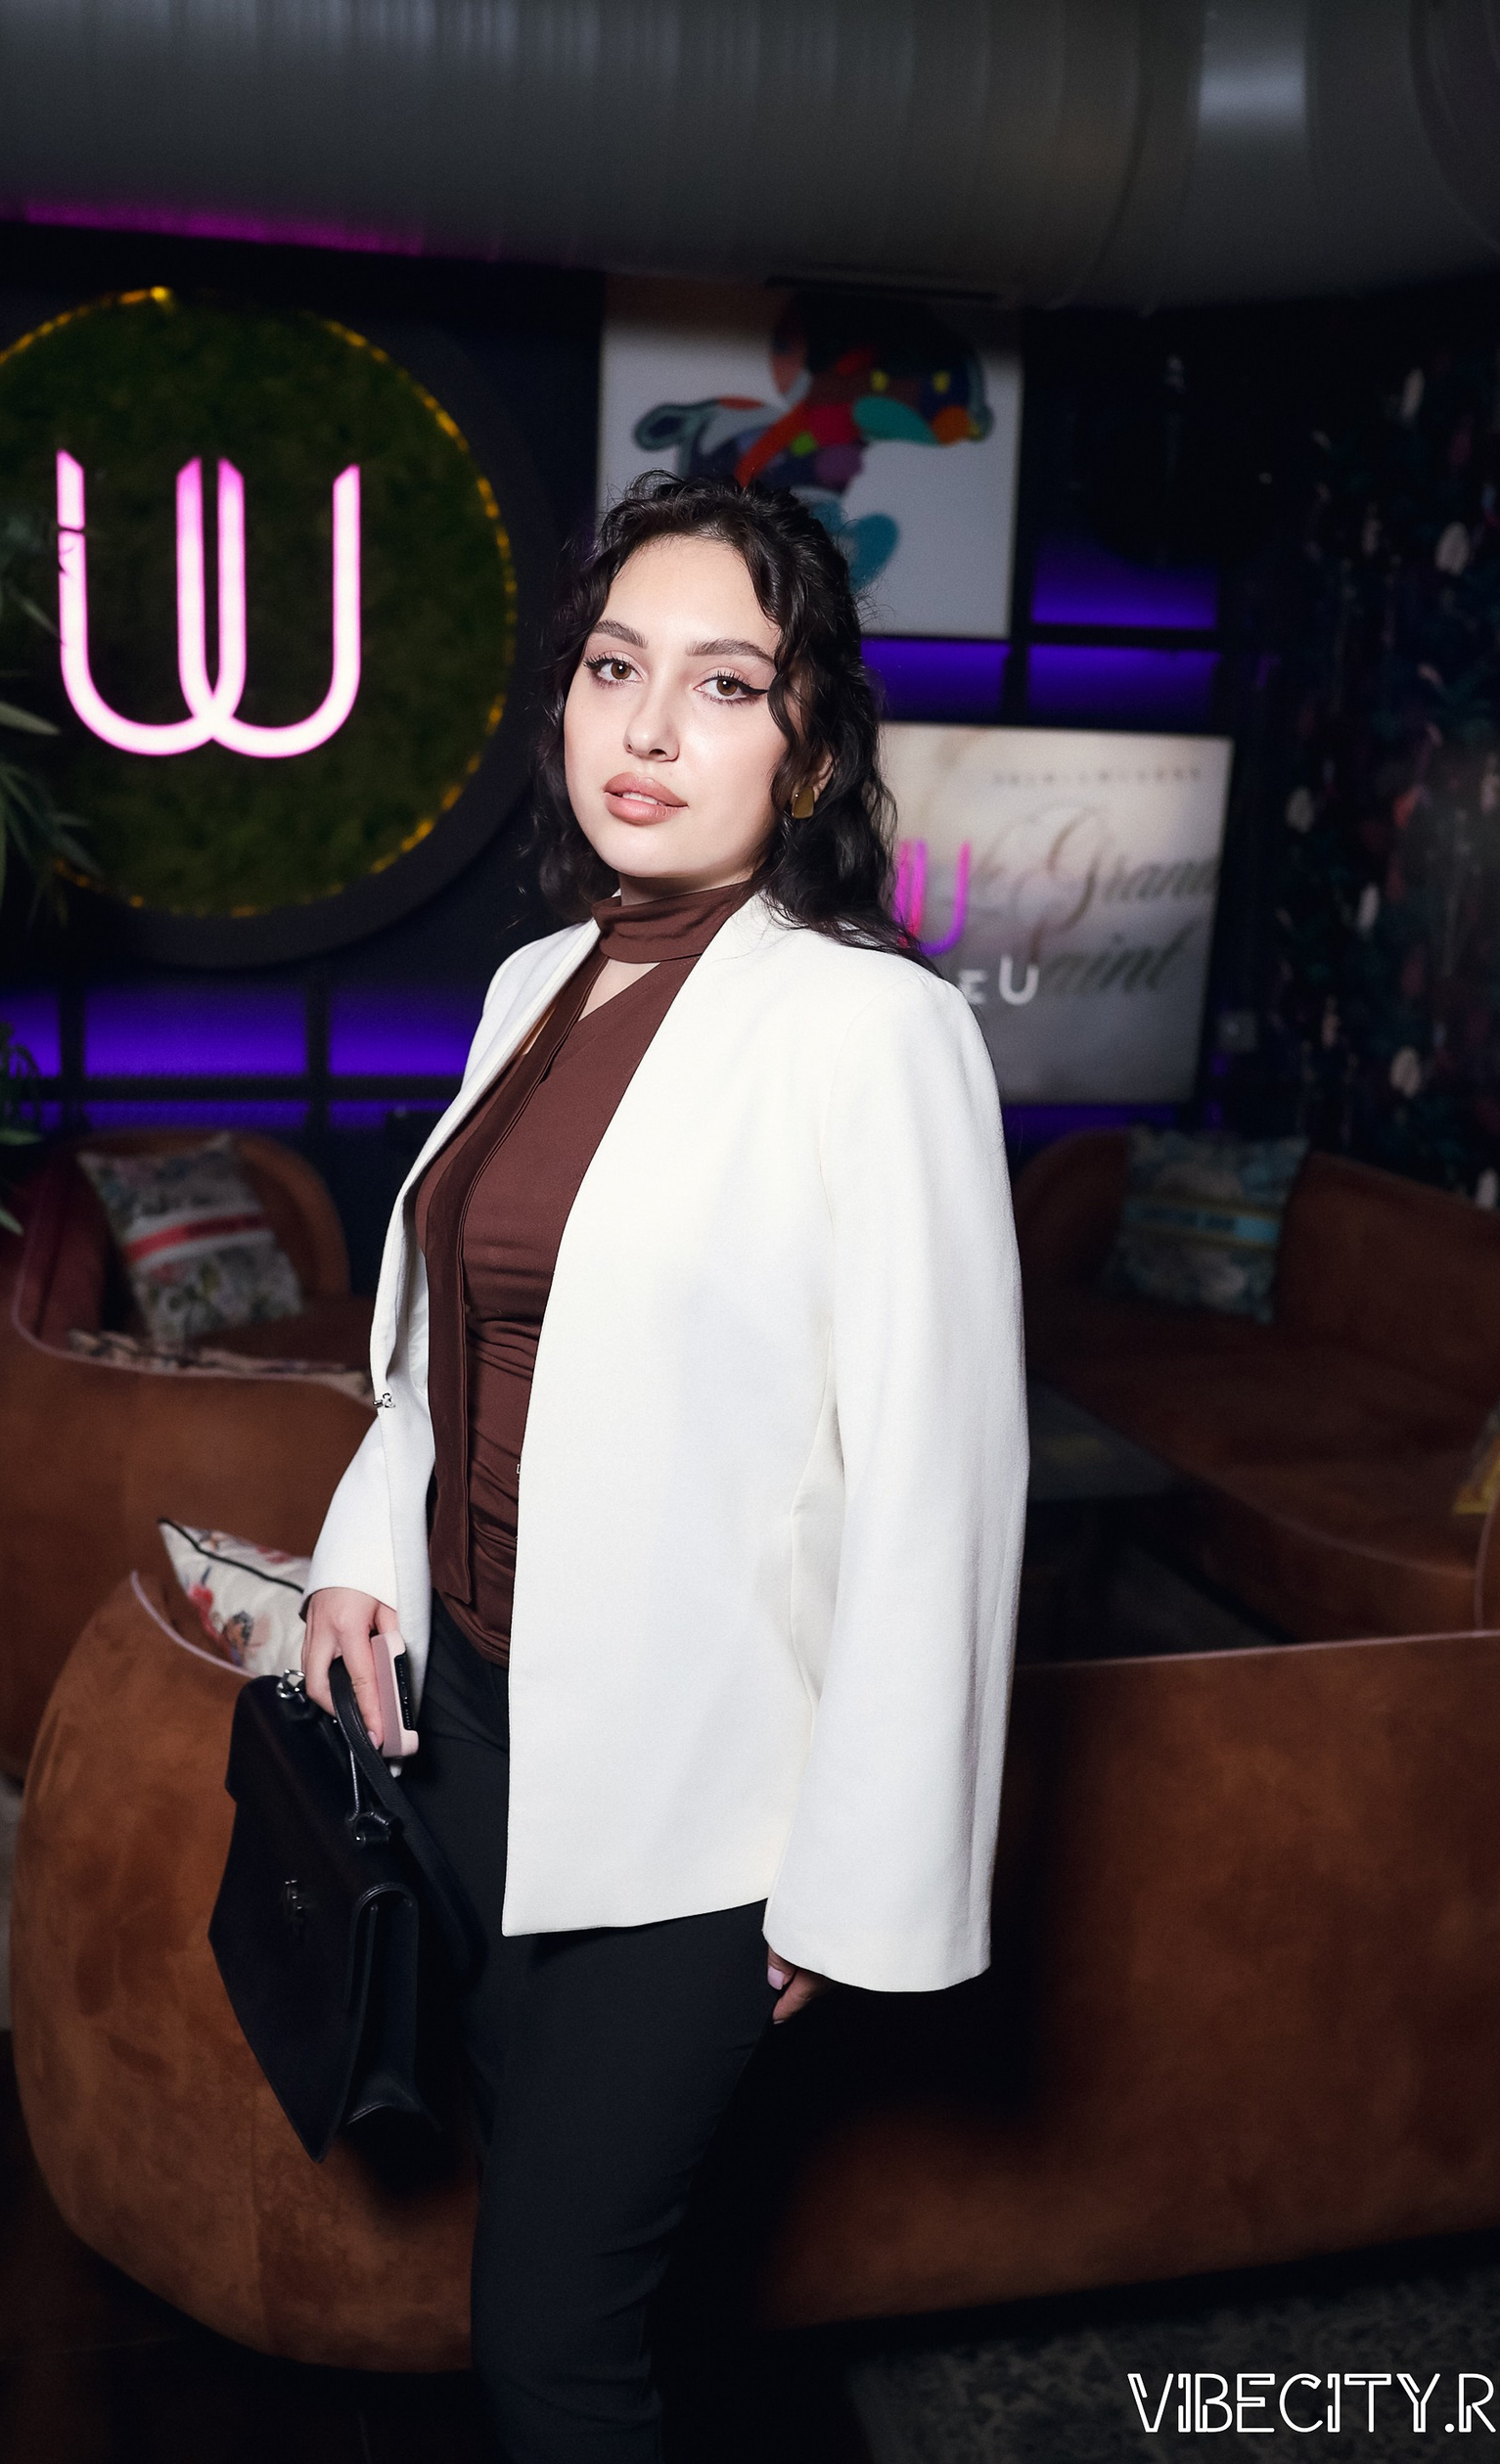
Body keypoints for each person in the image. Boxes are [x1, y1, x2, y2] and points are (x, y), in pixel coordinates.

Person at [301, 471, 1026, 2460]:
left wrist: (852, 1873)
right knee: (547, 2235)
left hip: (706, 1813)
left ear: (810, 753)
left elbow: (941, 1483)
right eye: (615, 667)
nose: (646, 727)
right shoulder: (532, 982)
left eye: (723, 684)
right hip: (464, 1733)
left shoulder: (874, 1030)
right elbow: (440, 1352)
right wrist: (361, 1550)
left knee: (553, 2344)